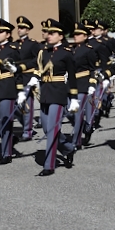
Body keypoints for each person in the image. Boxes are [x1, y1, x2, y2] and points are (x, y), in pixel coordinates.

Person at [29, 19, 77, 176]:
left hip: (58, 93)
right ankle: (68, 148)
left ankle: (49, 165)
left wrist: (74, 98)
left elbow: (72, 78)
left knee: (52, 129)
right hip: (45, 93)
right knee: (45, 126)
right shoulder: (43, 52)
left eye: (52, 33)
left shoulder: (67, 53)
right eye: (48, 33)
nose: (48, 36)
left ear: (61, 36)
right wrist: (34, 78)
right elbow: (39, 68)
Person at [0, 18, 21, 165]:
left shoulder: (13, 50)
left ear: (8, 34)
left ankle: (6, 153)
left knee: (6, 120)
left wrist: (20, 90)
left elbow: (19, 71)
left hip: (7, 86)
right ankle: (11, 138)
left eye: (1, 32)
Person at [69, 20, 101, 151]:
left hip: (83, 84)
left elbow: (94, 69)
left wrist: (92, 84)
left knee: (77, 113)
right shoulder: (71, 50)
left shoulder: (89, 50)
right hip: (71, 85)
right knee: (69, 112)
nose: (75, 36)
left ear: (85, 36)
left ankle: (76, 141)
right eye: (75, 34)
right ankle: (87, 126)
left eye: (79, 34)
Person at [13, 16, 40, 141]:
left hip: (27, 77)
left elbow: (38, 59)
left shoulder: (33, 44)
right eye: (19, 27)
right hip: (16, 78)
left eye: (22, 28)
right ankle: (26, 125)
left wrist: (26, 66)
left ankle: (27, 131)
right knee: (15, 105)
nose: (19, 30)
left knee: (26, 105)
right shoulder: (14, 44)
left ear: (28, 30)